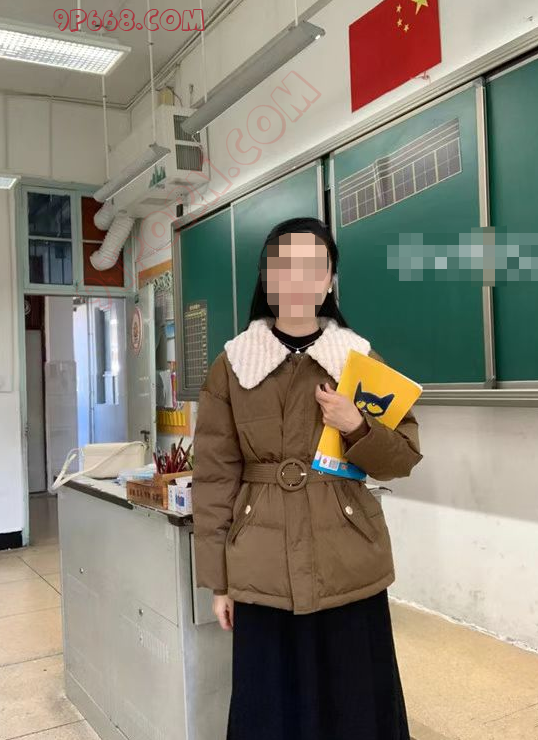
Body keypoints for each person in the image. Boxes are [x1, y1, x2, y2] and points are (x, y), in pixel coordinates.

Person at [191, 216, 424, 740]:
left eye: (312, 267)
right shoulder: (233, 365)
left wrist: (357, 425)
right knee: (269, 711)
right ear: (267, 277)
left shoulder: (358, 358)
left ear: (329, 280)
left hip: (347, 556)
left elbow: (403, 457)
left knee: (356, 705)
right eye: (284, 266)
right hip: (261, 563)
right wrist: (219, 582)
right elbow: (214, 479)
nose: (298, 279)